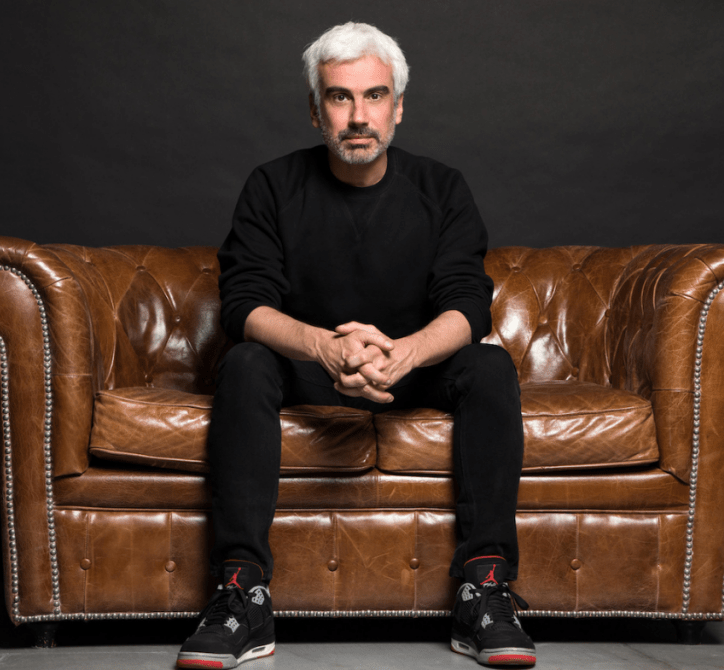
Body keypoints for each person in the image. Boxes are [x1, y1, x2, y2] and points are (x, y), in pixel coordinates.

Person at [177, 22, 535, 669]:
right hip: (307, 371)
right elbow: (243, 305)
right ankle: (241, 593)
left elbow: (467, 304)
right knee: (245, 363)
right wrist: (324, 347)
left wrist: (402, 353)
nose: (359, 116)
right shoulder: (272, 186)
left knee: (488, 364)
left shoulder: (442, 188)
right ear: (316, 111)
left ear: (398, 107)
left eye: (375, 96)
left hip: (415, 370)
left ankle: (484, 588)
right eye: (340, 97)